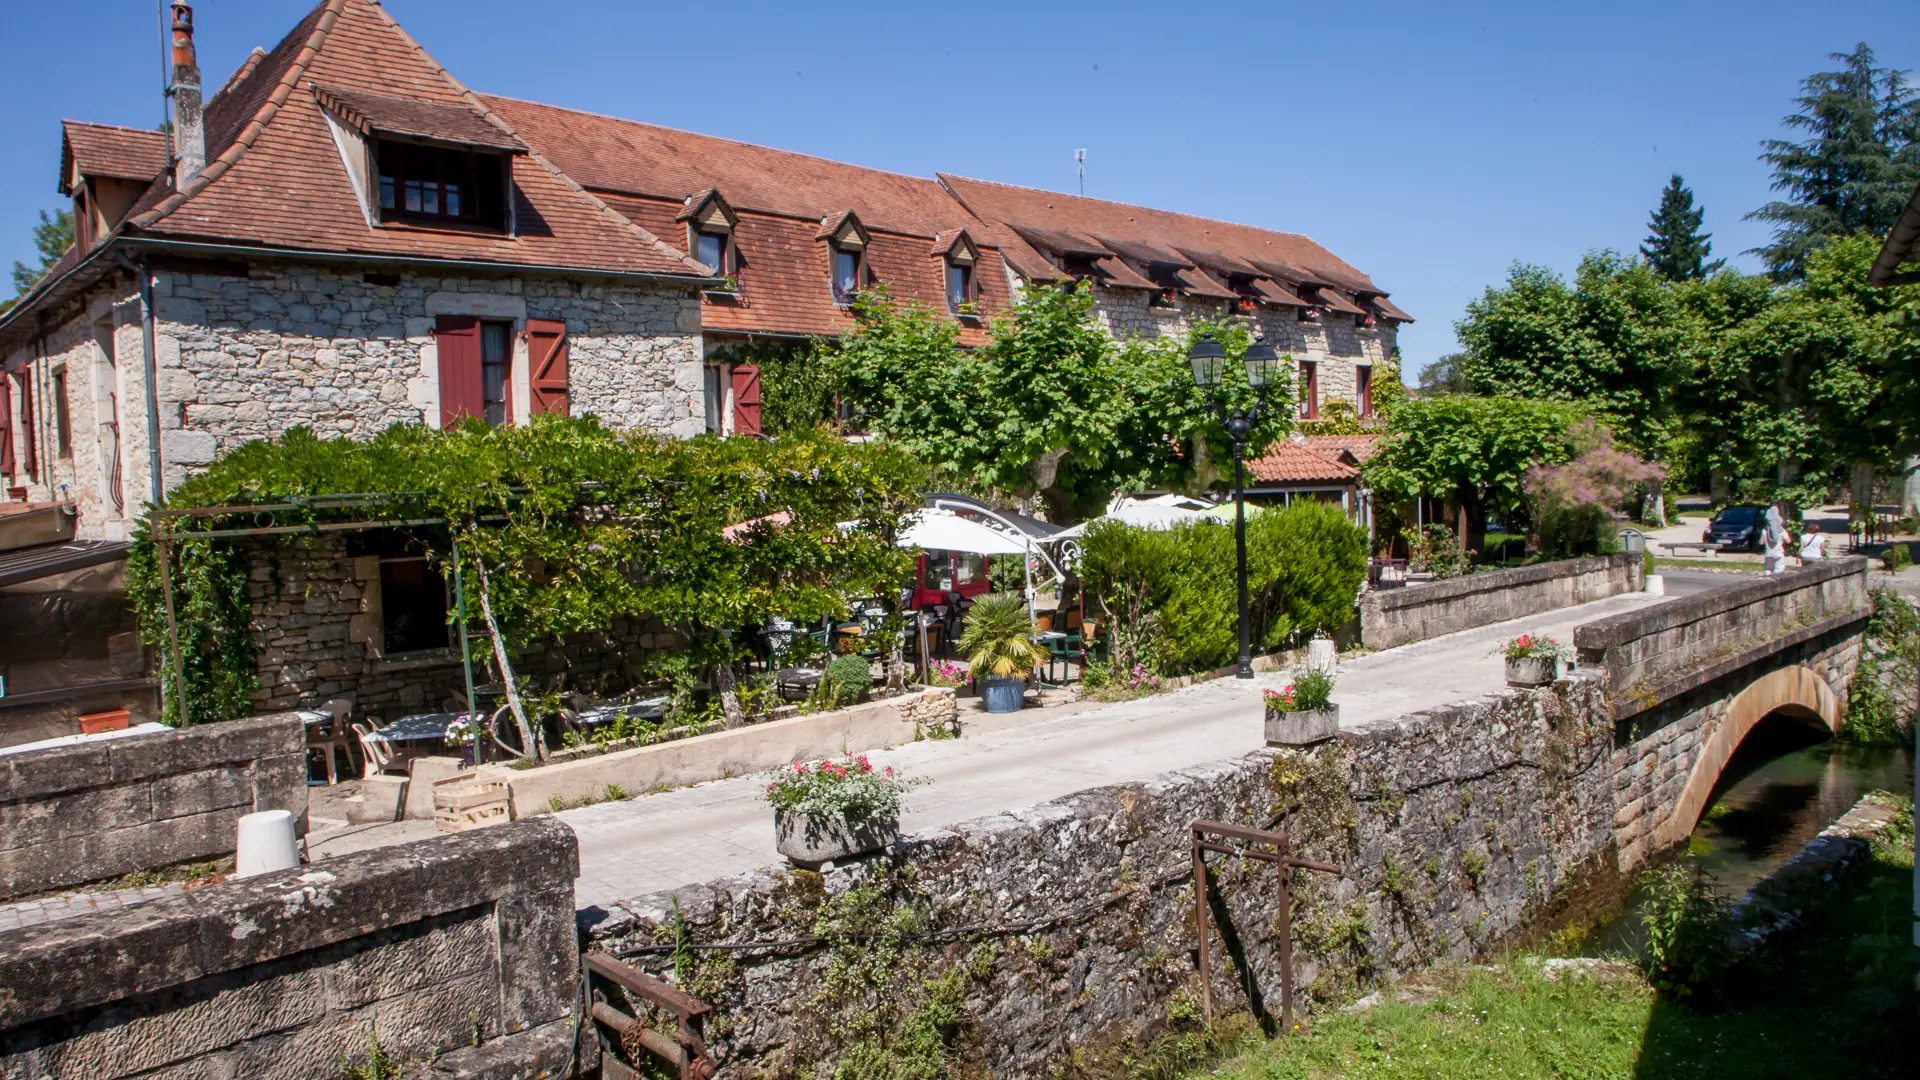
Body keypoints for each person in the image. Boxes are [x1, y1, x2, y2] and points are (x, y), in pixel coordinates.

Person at [1763, 502, 1788, 575]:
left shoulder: (1765, 530)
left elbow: (1761, 542)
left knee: (1768, 570)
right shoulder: (1781, 530)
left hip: (1768, 553)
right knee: (1779, 571)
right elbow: (1788, 541)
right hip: (1778, 552)